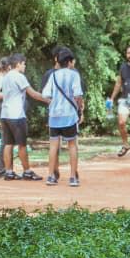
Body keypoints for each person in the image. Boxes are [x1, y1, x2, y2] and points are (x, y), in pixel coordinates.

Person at [0, 53, 46, 180]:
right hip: (16, 115)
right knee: (22, 144)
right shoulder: (19, 76)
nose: (25, 66)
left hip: (5, 114)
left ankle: (8, 172)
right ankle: (27, 171)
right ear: (18, 64)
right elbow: (32, 93)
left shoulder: (5, 77)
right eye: (23, 64)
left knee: (8, 143)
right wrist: (48, 100)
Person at [40, 46, 85, 187]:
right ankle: (73, 177)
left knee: (53, 146)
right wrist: (80, 109)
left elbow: (45, 94)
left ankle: (50, 176)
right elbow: (78, 95)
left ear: (58, 61)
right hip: (69, 115)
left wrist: (54, 103)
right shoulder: (74, 75)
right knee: (72, 145)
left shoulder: (53, 75)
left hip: (54, 116)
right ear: (70, 61)